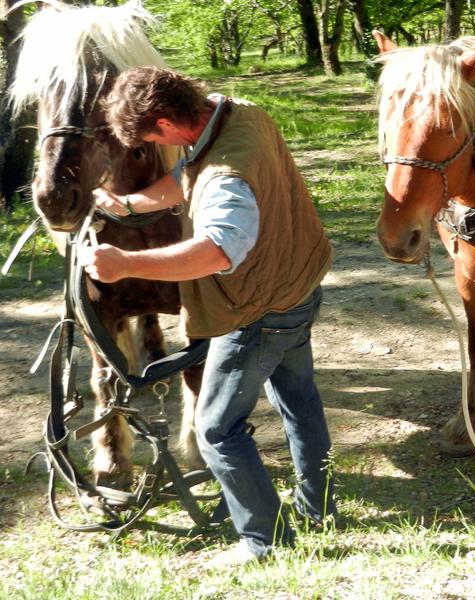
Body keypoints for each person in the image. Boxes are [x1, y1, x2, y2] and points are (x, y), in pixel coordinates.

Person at [80, 66, 337, 567]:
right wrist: (129, 205)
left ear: (165, 123)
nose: (155, 147)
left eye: (151, 139)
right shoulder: (238, 114)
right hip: (299, 285)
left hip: (257, 311)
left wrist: (125, 263)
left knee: (216, 429)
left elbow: (218, 251)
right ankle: (318, 508)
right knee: (299, 403)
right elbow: (186, 174)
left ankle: (265, 541)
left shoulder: (226, 178)